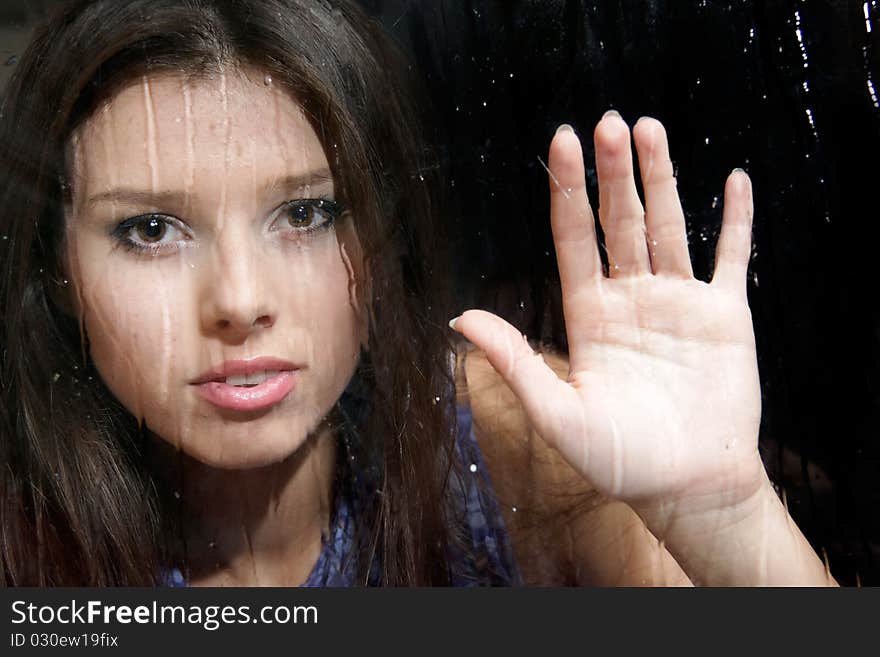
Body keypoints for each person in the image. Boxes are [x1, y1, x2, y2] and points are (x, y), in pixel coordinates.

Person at [0, 0, 834, 587]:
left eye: (307, 212)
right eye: (150, 229)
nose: (241, 299)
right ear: (57, 274)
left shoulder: (505, 436)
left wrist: (729, 521)